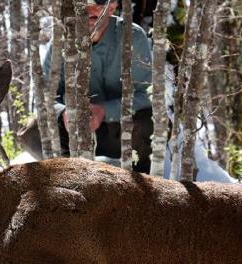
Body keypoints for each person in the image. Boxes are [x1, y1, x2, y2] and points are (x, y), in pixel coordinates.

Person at [21, 0, 154, 173]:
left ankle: (140, 185)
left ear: (113, 5)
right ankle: (66, 176)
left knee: (148, 123)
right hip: (73, 130)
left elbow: (146, 97)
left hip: (119, 131)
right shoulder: (62, 39)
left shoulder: (133, 36)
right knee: (33, 131)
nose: (91, 9)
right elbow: (47, 95)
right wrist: (64, 113)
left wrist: (105, 110)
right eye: (83, 2)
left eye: (98, 1)